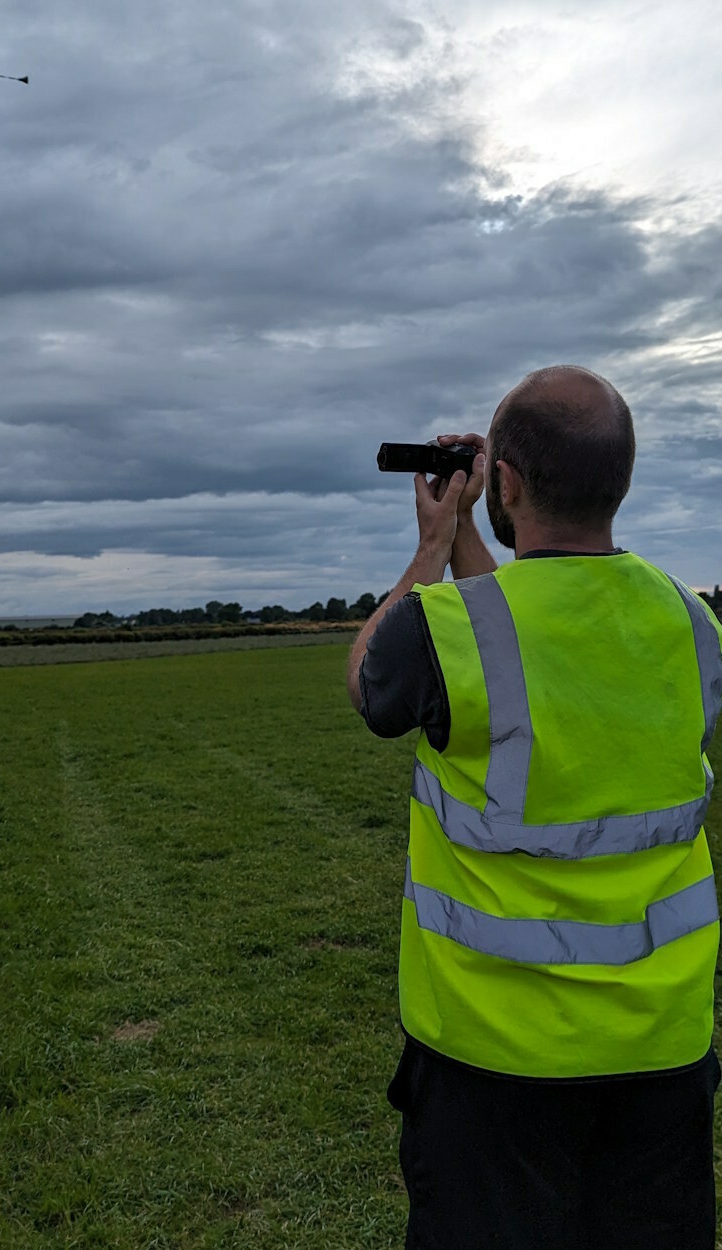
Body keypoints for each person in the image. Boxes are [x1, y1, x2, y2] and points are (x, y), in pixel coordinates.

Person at [347, 365, 722, 1250]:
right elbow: (535, 631)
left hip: (492, 1059)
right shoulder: (692, 623)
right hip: (661, 1048)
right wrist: (475, 534)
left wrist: (435, 543)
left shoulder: (440, 629)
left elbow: (371, 682)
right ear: (621, 479)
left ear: (505, 481)